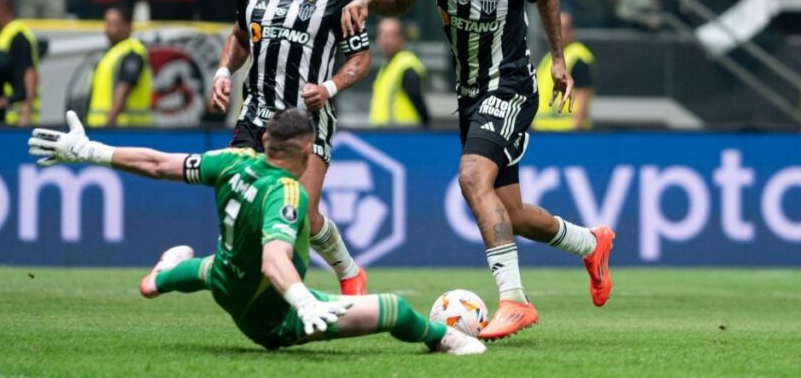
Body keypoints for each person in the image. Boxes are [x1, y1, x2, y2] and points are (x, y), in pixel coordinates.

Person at [341, 0, 614, 341]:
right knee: (515, 214)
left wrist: (558, 59)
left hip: (509, 88)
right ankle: (590, 243)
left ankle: (515, 301)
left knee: (471, 177)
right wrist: (371, 2)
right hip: (470, 98)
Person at [26, 108, 485, 355]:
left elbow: (158, 164)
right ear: (307, 149)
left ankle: (162, 277)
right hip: (270, 318)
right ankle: (445, 340)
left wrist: (89, 150)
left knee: (215, 266)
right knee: (396, 309)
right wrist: (302, 300)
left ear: (265, 142)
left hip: (226, 282)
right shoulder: (287, 194)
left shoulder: (231, 161)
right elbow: (274, 261)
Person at [209, 0, 372, 296]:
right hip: (256, 115)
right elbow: (239, 38)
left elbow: (361, 58)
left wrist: (329, 87)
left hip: (307, 120)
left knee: (304, 216)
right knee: (242, 200)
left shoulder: (338, 0)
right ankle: (266, 283)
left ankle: (349, 272)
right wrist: (221, 72)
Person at [87, 4, 153, 127]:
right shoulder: (111, 53)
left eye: (114, 23)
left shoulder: (132, 51)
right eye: (107, 22)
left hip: (123, 130)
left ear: (128, 26)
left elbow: (124, 89)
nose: (109, 27)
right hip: (103, 129)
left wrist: (107, 125)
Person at [533, 12, 594, 131]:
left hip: (565, 132)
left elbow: (583, 97)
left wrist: (576, 130)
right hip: (542, 131)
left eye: (561, 27)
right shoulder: (548, 59)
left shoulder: (578, 57)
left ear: (572, 31)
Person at [369, 18, 429, 128]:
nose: (386, 40)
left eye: (391, 35)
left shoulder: (406, 64)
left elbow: (416, 97)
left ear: (402, 39)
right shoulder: (386, 66)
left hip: (403, 133)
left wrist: (426, 126)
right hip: (383, 134)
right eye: (382, 34)